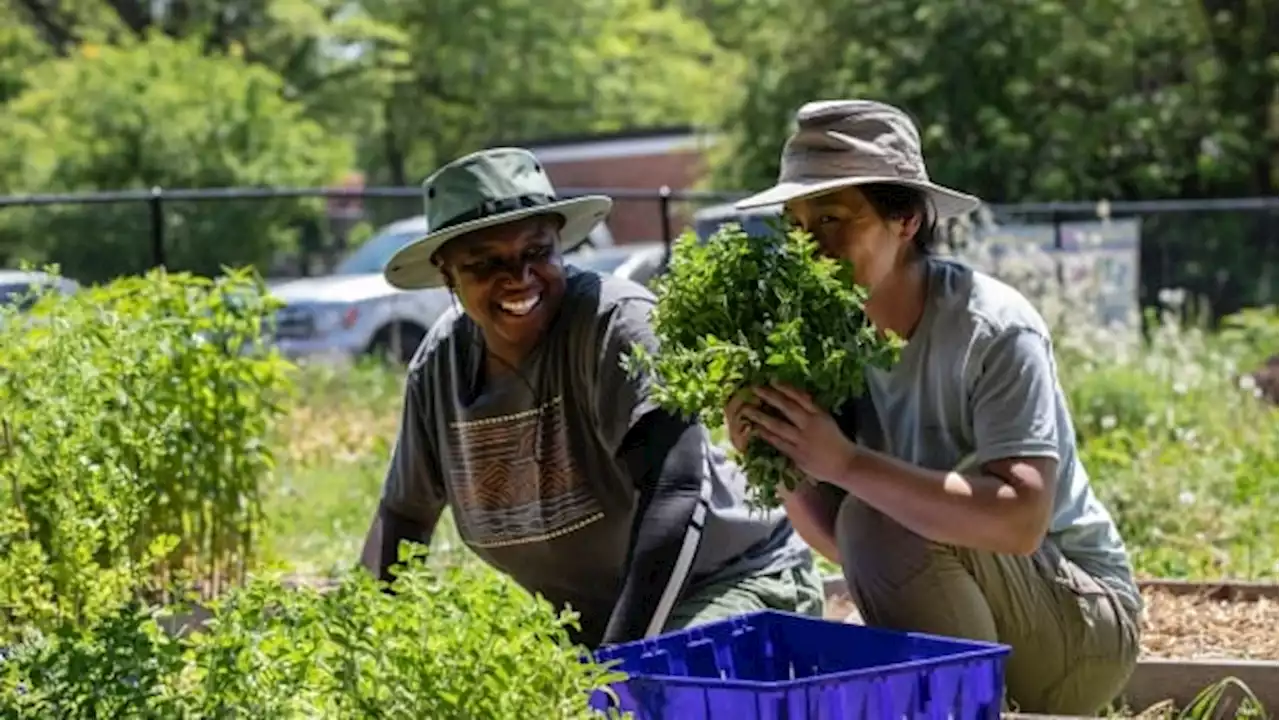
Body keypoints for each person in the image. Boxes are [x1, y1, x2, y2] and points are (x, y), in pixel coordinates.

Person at [724, 100, 1142, 714]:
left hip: (1081, 629)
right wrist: (777, 454)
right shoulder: (825, 337)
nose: (807, 244)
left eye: (834, 218)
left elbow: (1021, 520)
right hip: (980, 614)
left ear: (907, 219)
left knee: (872, 513)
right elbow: (852, 547)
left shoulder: (993, 328)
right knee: (869, 519)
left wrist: (842, 463)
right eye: (795, 222)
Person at [358, 146, 823, 648]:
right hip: (596, 623)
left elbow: (675, 491)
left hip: (732, 581)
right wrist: (357, 648)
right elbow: (403, 516)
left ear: (561, 245)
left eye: (537, 252)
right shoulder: (440, 369)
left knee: (663, 696)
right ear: (447, 273)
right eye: (484, 264)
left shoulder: (614, 325)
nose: (518, 277)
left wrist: (617, 666)